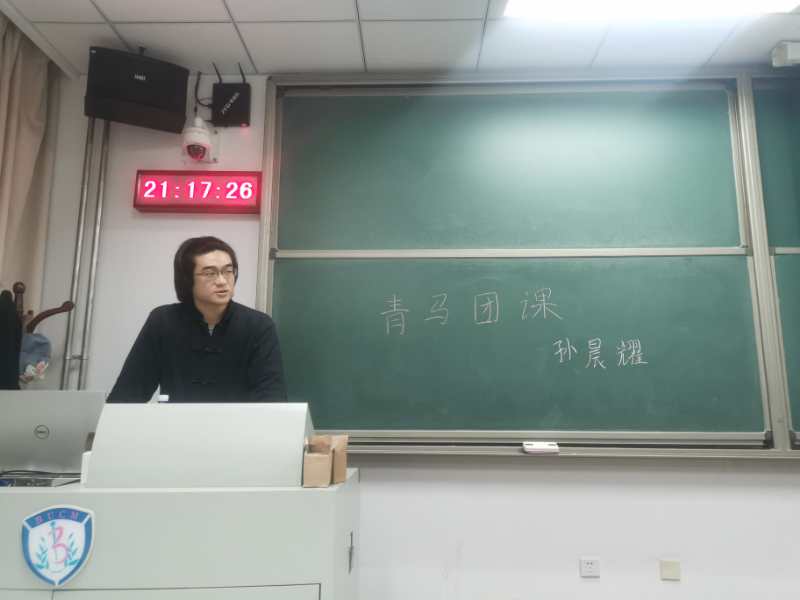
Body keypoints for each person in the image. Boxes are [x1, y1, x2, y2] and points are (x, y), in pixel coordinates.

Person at [107, 236, 286, 403]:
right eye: (210, 273)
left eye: (228, 271)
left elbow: (272, 398)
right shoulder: (163, 321)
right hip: (176, 424)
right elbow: (127, 394)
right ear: (187, 279)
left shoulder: (258, 325)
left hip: (238, 425)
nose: (222, 281)